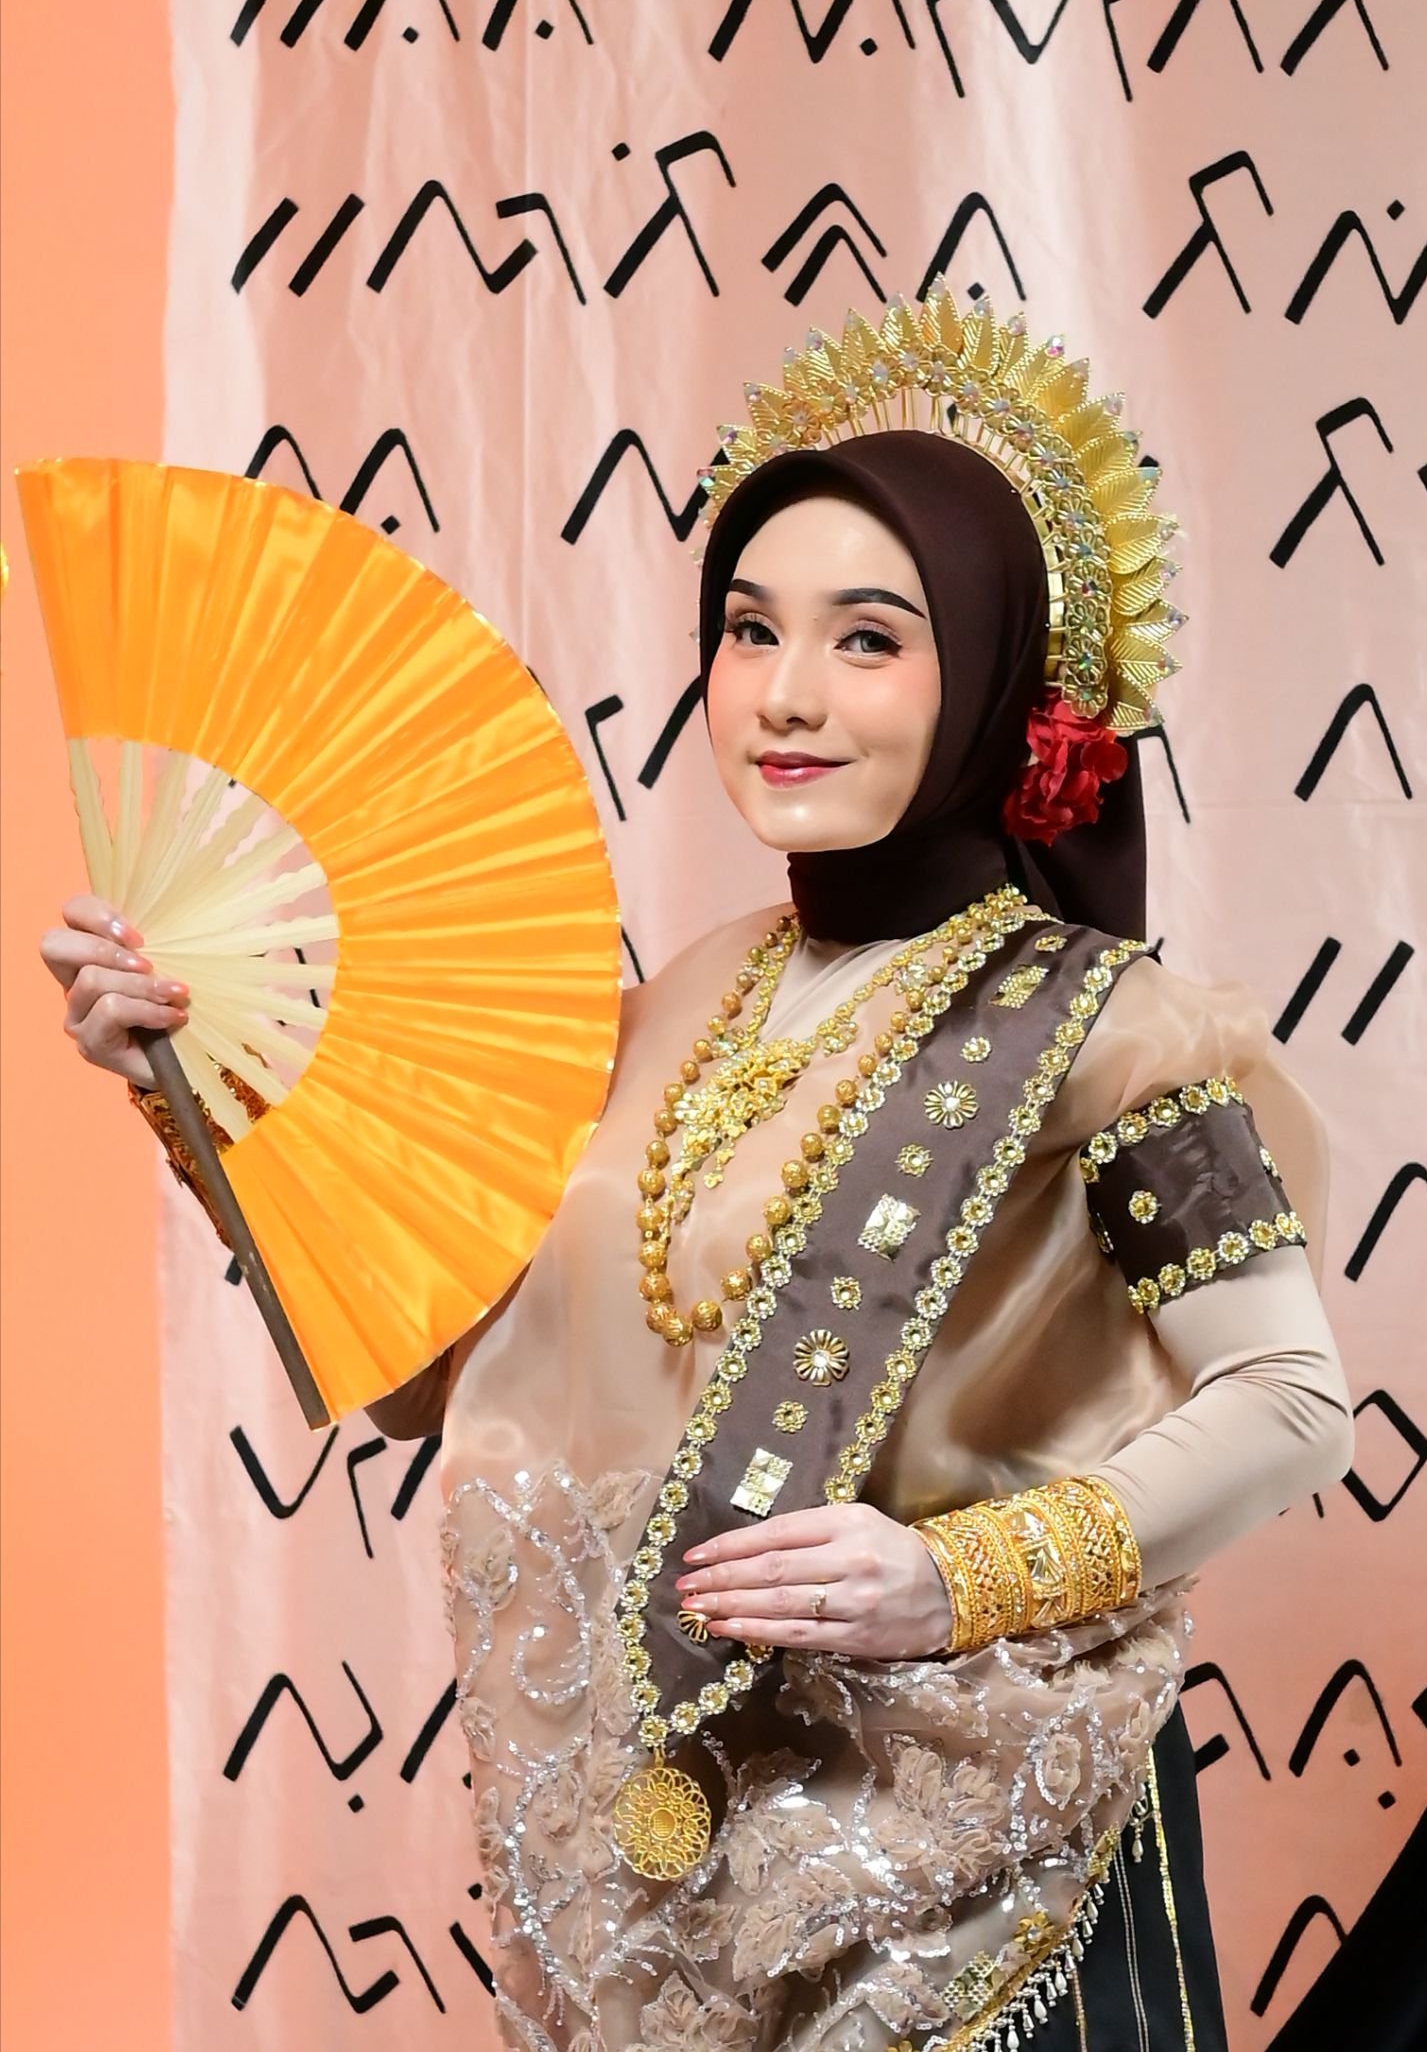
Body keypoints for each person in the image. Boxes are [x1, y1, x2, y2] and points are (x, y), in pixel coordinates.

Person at [41, 297, 1354, 2051]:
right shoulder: (668, 1002)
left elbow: (1292, 1401)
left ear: (995, 684)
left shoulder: (1124, 1033)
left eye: (869, 638)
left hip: (977, 1861)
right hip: (667, 1858)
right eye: (748, 629)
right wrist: (191, 1088)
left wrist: (953, 1577)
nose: (786, 694)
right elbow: (443, 1370)